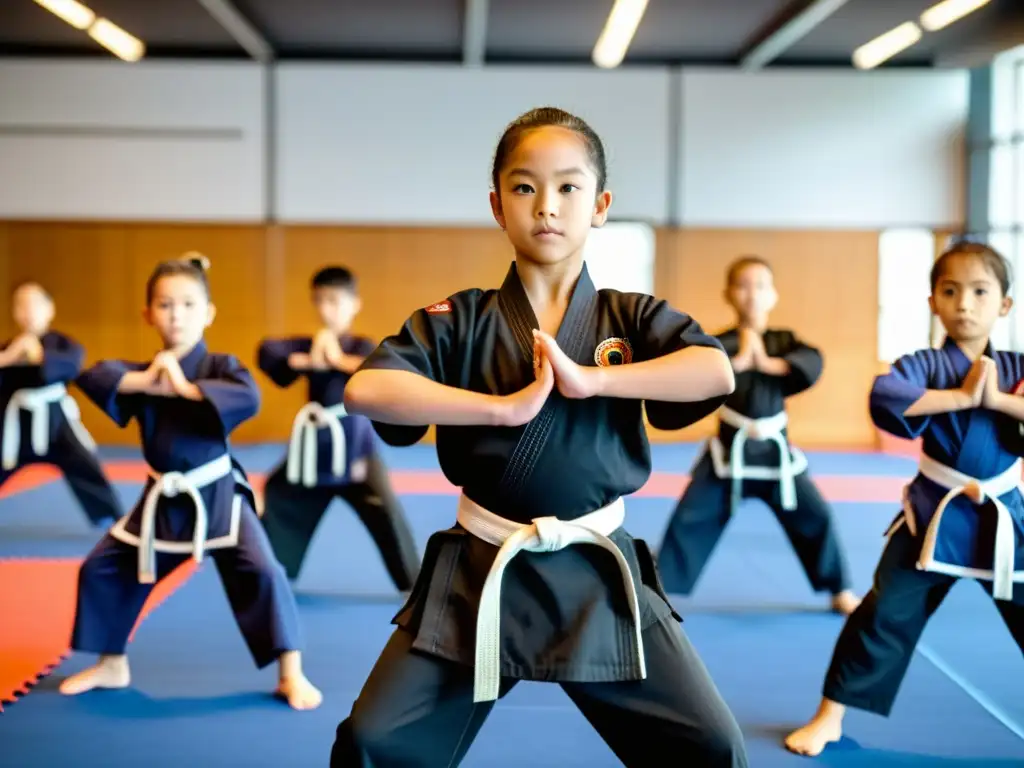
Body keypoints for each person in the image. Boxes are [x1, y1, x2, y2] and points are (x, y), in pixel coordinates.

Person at [329, 107, 748, 767]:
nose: (546, 206)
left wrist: (593, 382)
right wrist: (500, 410)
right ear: (497, 206)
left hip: (599, 573)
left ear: (600, 205)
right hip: (480, 570)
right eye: (524, 188)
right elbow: (366, 389)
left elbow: (714, 369)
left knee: (711, 747)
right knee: (373, 741)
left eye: (568, 188)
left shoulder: (629, 317)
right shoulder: (456, 319)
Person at [785, 240, 1024, 757]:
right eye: (951, 291)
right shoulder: (923, 365)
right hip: (931, 518)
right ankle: (830, 715)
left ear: (1004, 304)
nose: (964, 303)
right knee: (883, 612)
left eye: (980, 292)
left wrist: (998, 399)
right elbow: (887, 396)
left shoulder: (1015, 367)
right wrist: (962, 397)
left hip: (1004, 519)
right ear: (933, 302)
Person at [57, 256, 322, 711]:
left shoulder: (220, 366)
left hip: (218, 496)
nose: (176, 314)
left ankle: (291, 672)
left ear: (208, 313)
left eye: (187, 303)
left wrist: (184, 389)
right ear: (148, 315)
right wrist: (146, 381)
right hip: (161, 499)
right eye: (164, 304)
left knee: (262, 571)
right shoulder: (143, 371)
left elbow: (250, 396)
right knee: (104, 567)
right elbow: (93, 374)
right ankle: (112, 662)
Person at [657, 256, 859, 614]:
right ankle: (660, 589)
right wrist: (734, 365)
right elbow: (692, 372)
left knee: (816, 516)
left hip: (775, 453)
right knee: (690, 516)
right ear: (729, 294)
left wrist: (768, 364)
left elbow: (813, 363)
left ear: (773, 295)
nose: (752, 294)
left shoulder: (785, 342)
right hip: (727, 451)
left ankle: (839, 588)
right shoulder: (716, 343)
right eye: (743, 286)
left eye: (760, 286)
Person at [257, 266, 419, 590]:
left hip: (356, 454)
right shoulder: (308, 345)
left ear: (354, 303)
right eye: (319, 300)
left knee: (387, 517)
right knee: (279, 493)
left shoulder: (362, 346)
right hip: (312, 456)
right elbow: (268, 352)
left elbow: (382, 367)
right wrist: (309, 360)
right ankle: (274, 575)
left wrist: (336, 359)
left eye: (334, 300)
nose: (326, 308)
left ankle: (414, 585)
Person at [0, 282, 121, 528]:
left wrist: (37, 355)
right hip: (17, 423)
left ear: (49, 309)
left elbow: (72, 366)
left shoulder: (62, 344)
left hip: (56, 423)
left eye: (35, 303)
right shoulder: (7, 347)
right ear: (14, 311)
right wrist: (10, 356)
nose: (28, 310)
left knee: (85, 465)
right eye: (21, 304)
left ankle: (112, 515)